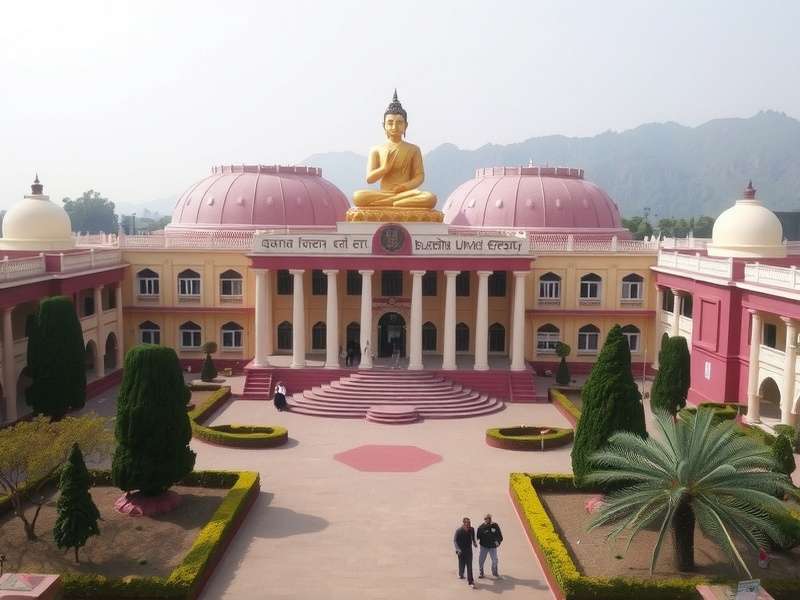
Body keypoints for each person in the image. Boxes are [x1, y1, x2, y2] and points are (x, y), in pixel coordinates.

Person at [477, 513, 503, 579]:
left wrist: (498, 542)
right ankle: (481, 573)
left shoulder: (495, 525)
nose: (487, 520)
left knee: (495, 560)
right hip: (484, 547)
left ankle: (495, 572)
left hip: (493, 547)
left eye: (489, 518)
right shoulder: (481, 527)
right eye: (486, 519)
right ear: (484, 519)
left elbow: (500, 536)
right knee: (481, 560)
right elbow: (478, 537)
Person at [453, 517, 477, 587]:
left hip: (469, 551)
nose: (469, 524)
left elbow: (473, 537)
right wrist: (458, 549)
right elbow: (455, 540)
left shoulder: (472, 529)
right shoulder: (458, 531)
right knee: (461, 565)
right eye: (467, 523)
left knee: (469, 566)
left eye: (470, 523)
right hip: (460, 551)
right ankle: (461, 574)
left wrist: (474, 543)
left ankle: (471, 581)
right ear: (464, 523)